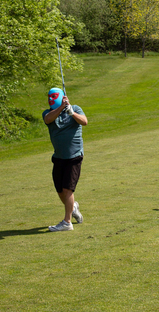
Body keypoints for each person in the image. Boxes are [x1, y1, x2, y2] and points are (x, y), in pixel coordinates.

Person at [43, 88, 88, 231]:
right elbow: (48, 119)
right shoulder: (48, 113)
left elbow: (85, 122)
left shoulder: (75, 108)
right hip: (59, 157)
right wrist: (61, 107)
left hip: (74, 156)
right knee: (60, 190)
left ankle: (67, 222)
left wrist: (71, 112)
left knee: (67, 189)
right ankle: (73, 207)